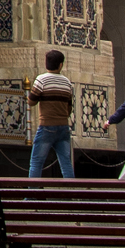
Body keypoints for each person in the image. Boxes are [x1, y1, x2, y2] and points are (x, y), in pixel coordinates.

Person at [27, 49, 75, 178]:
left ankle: (32, 195)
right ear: (60, 65)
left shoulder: (41, 80)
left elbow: (31, 102)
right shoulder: (67, 83)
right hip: (63, 127)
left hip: (46, 127)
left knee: (37, 162)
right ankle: (72, 194)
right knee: (66, 163)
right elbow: (69, 108)